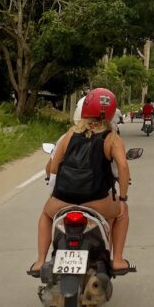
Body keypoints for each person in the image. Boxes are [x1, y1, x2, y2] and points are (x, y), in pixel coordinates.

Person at [27, 87, 135, 278]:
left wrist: (54, 192)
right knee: (122, 212)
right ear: (111, 112)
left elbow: (53, 166)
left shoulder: (70, 134)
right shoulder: (112, 138)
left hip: (63, 199)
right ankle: (117, 259)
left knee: (46, 214)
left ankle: (40, 261)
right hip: (97, 201)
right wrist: (123, 196)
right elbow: (123, 168)